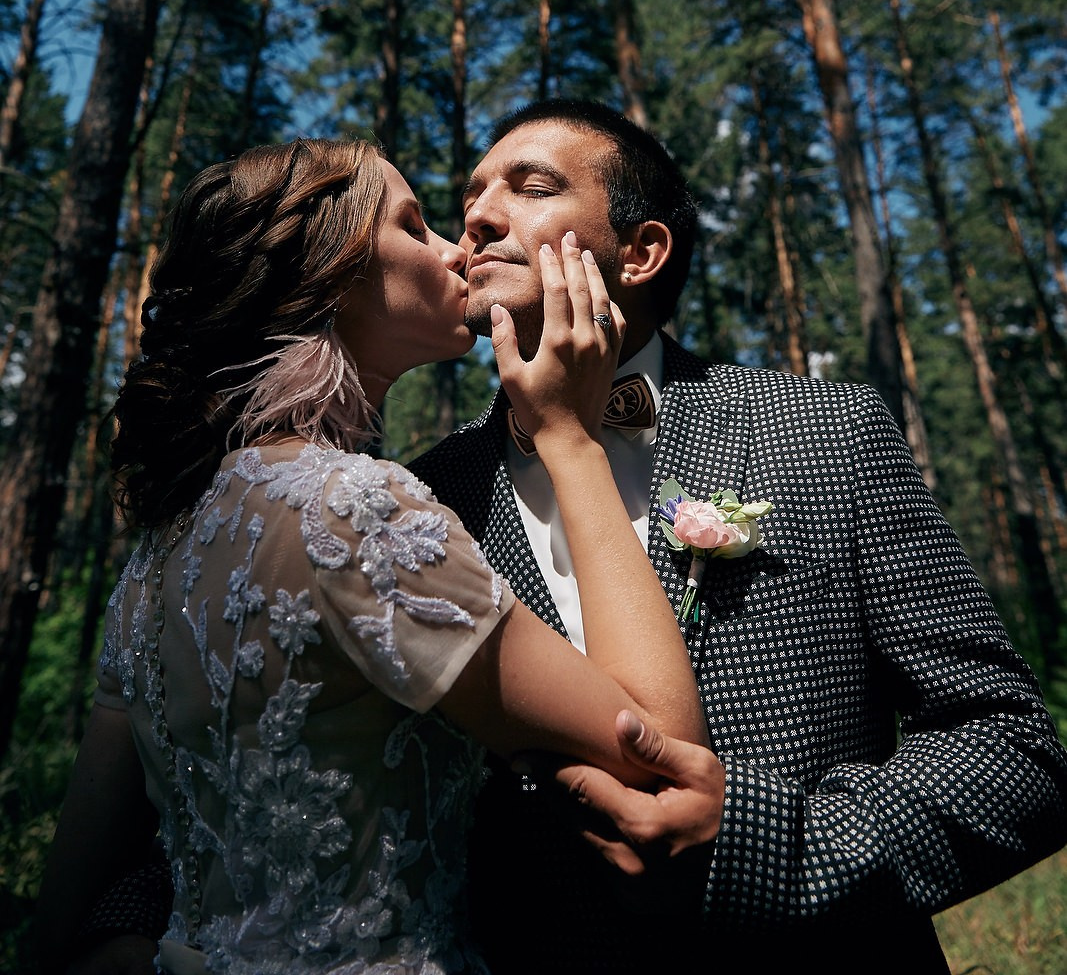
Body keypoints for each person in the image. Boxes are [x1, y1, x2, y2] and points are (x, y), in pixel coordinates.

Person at [414, 97, 1067, 973]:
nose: (477, 218)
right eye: (470, 196)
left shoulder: (823, 431)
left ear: (641, 252)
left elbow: (1013, 747)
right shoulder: (420, 497)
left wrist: (770, 849)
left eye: (530, 188)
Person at [35, 137, 715, 975]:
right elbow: (661, 760)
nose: (458, 244)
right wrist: (569, 439)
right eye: (415, 225)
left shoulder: (156, 556)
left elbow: (71, 891)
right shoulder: (356, 509)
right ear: (328, 275)